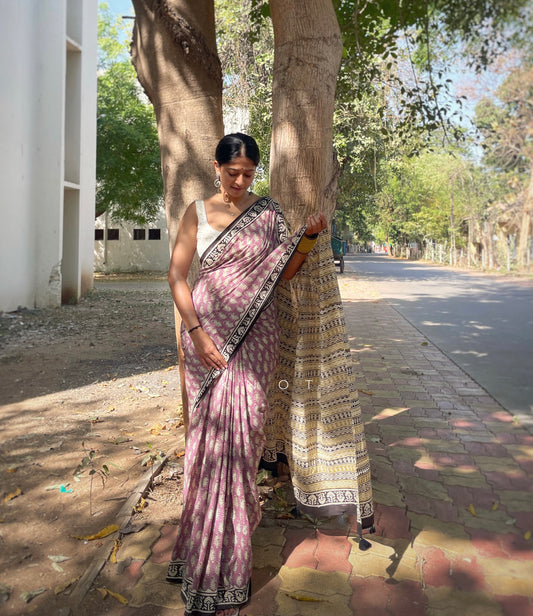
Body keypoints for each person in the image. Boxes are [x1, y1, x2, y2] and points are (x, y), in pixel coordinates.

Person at [166, 132, 327, 616]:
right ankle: (198, 556)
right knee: (209, 446)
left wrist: (309, 238)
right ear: (216, 167)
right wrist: (196, 334)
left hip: (256, 340)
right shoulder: (197, 211)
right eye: (231, 172)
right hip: (205, 341)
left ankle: (230, 559)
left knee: (242, 447)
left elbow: (283, 273)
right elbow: (177, 277)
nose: (239, 181)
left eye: (248, 174)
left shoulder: (270, 216)